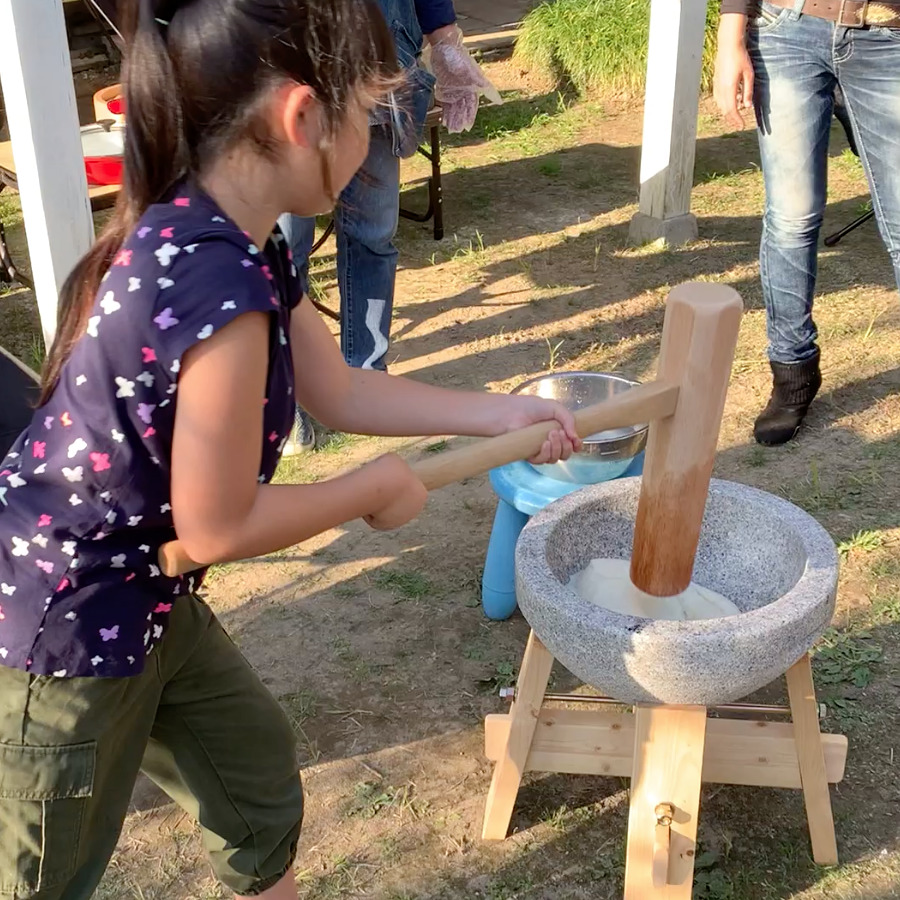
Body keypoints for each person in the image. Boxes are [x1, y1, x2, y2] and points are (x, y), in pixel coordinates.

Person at [0, 1, 579, 897]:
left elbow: (338, 389)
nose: (372, 141)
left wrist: (494, 412)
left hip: (150, 592)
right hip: (63, 629)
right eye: (370, 116)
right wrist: (368, 489)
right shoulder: (218, 285)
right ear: (302, 117)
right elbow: (220, 521)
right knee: (46, 872)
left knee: (254, 773)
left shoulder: (245, 241)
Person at [279, 0, 499, 453]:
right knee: (282, 256)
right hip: (290, 73)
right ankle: (284, 394)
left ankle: (365, 375)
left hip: (381, 77)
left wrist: (447, 41)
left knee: (373, 239)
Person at [714, 0, 900, 445]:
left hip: (888, 35)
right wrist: (730, 38)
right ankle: (793, 372)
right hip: (786, 29)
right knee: (791, 219)